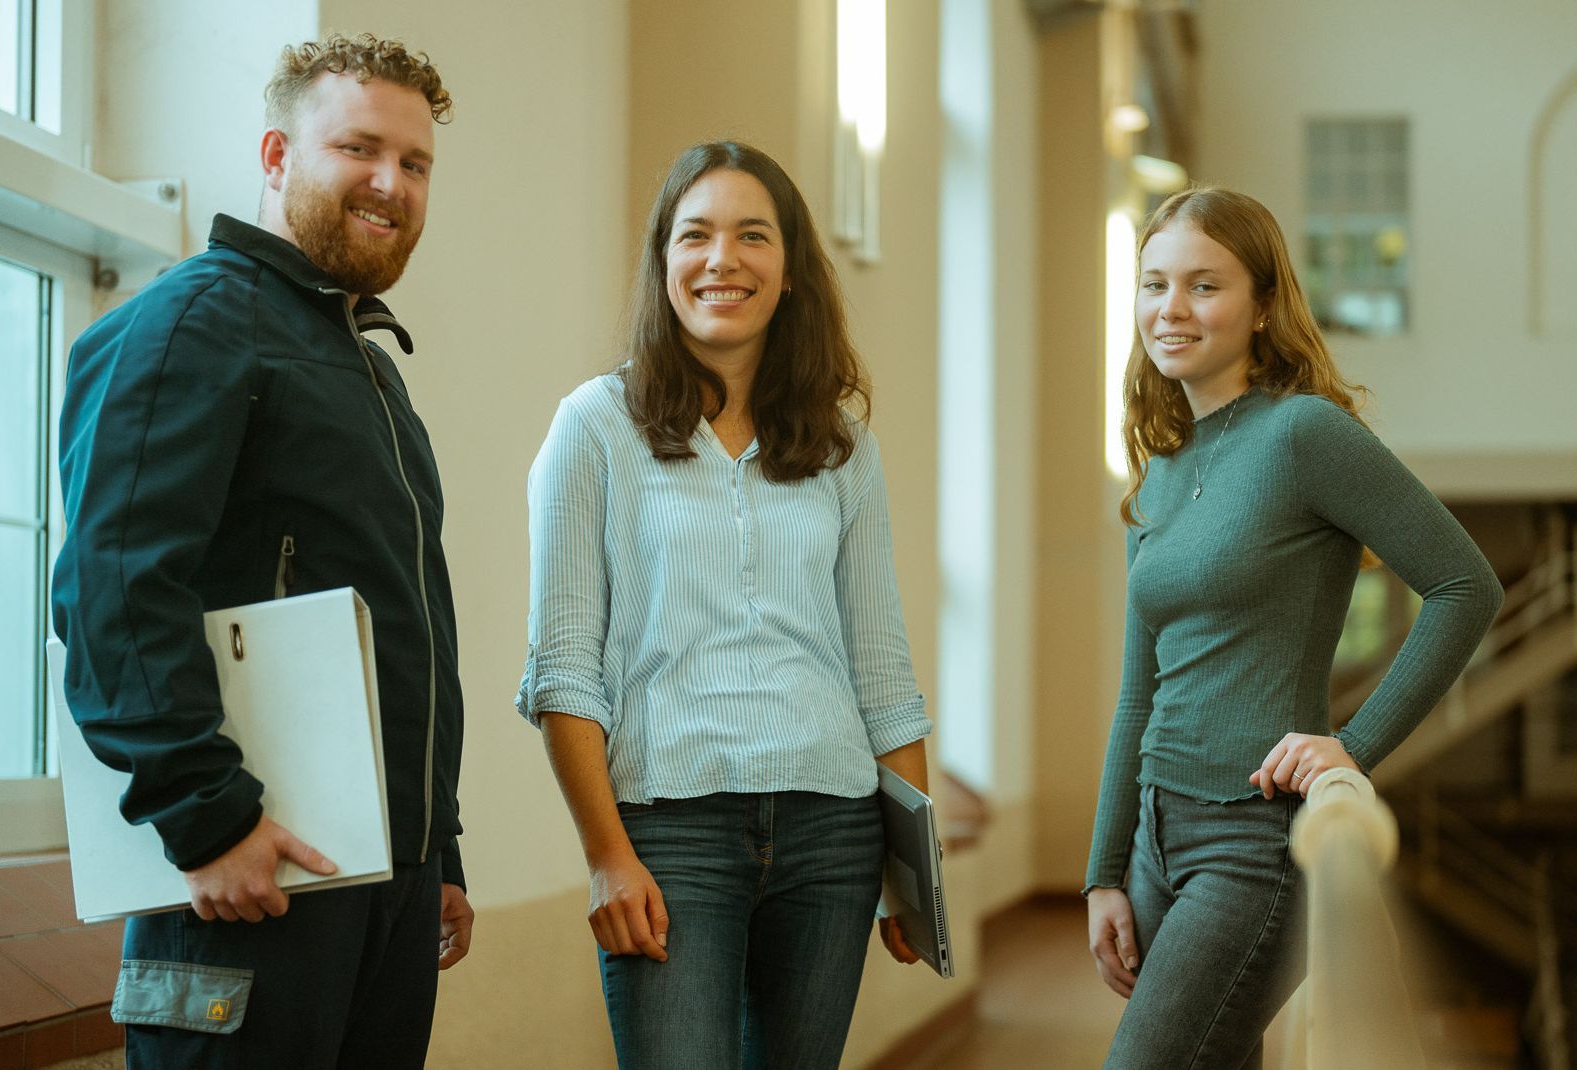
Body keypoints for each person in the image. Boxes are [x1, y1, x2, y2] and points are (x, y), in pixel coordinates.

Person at [51, 33, 472, 1068]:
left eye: (415, 163)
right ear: (278, 156)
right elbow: (114, 591)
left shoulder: (365, 369)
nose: (392, 183)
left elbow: (402, 632)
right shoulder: (192, 323)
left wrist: (437, 849)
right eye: (360, 149)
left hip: (381, 887)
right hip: (244, 887)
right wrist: (204, 818)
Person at [517, 139, 932, 1070]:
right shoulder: (594, 427)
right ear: (664, 261)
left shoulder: (843, 448)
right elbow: (563, 669)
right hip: (669, 831)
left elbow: (882, 669)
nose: (722, 259)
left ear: (790, 272)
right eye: (695, 235)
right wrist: (605, 855)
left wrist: (914, 874)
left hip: (834, 829)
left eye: (754, 236)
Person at [1083, 187, 1503, 1069]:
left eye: (1205, 285)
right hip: (1158, 837)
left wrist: (1354, 744)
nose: (1172, 308)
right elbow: (1138, 693)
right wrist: (1103, 872)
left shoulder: (1305, 435)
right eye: (1154, 284)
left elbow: (1466, 587)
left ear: (1264, 305)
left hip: (1253, 842)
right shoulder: (1161, 468)